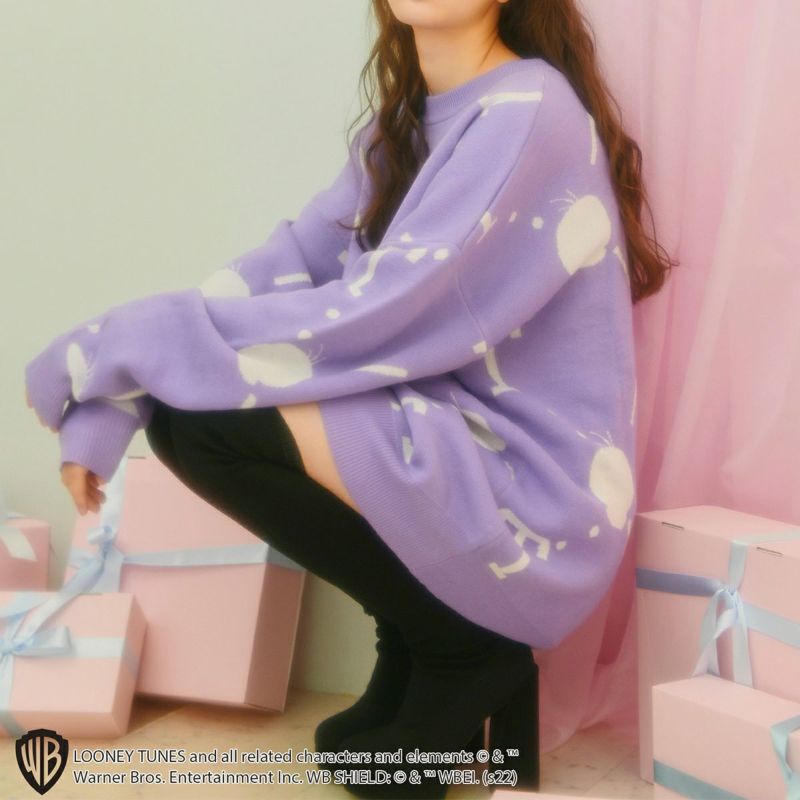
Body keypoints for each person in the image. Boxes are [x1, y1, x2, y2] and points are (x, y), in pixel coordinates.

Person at [25, 0, 675, 797]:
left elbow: (384, 310)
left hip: (535, 495)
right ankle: (416, 636)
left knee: (208, 414)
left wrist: (120, 346)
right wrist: (118, 389)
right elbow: (290, 264)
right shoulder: (405, 121)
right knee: (189, 406)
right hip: (458, 440)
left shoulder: (529, 110)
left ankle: (465, 649)